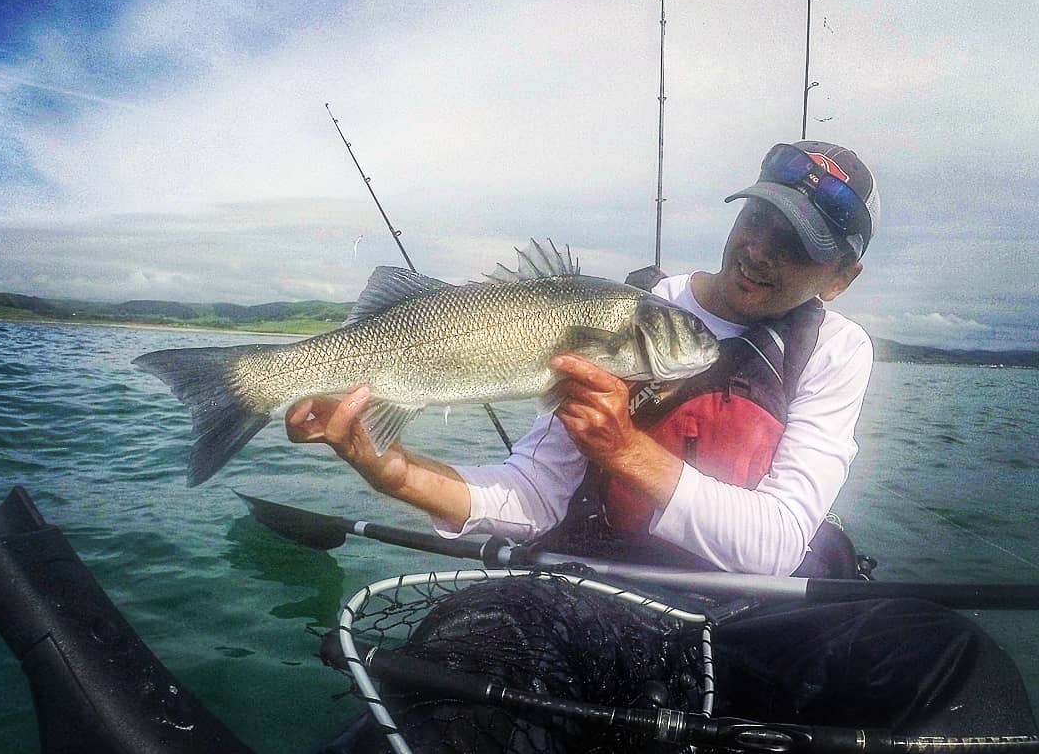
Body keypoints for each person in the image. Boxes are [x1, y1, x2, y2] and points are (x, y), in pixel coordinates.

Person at [291, 140, 1037, 739]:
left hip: (736, 613)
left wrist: (625, 450)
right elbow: (532, 495)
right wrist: (383, 465)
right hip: (590, 587)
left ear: (841, 277)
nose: (761, 250)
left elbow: (778, 544)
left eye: (799, 245)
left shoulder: (836, 351)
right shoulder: (628, 311)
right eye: (759, 219)